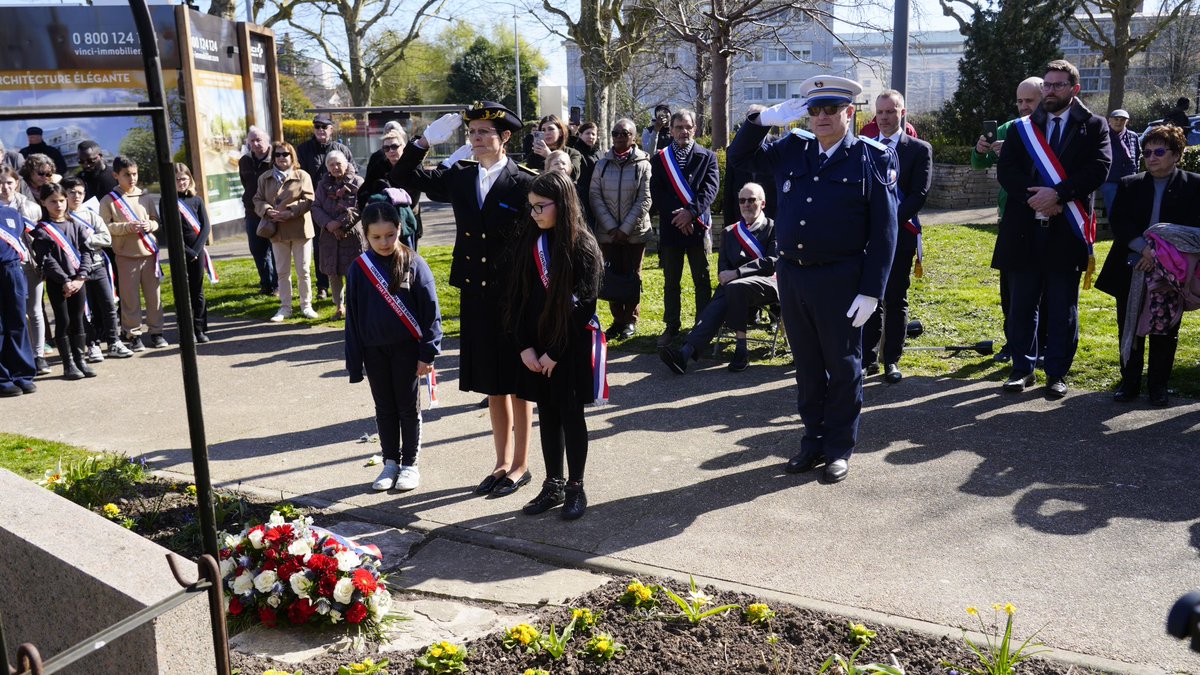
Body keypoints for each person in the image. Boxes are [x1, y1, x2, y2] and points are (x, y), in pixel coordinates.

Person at [728, 75, 897, 484]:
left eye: (830, 109)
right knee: (805, 365)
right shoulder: (792, 147)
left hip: (841, 278)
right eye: (814, 109)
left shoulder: (871, 157)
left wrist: (872, 291)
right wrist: (762, 119)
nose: (820, 117)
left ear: (848, 113)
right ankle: (812, 439)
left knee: (842, 366)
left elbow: (885, 230)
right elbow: (738, 157)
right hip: (793, 276)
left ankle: (839, 446)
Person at [392, 101, 538, 498]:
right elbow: (403, 175)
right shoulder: (460, 175)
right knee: (493, 381)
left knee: (520, 384)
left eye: (484, 133)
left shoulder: (524, 182)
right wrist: (422, 141)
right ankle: (500, 462)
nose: (475, 139)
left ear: (504, 137)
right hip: (477, 293)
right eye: (471, 132)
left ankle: (522, 465)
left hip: (513, 295)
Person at [995, 59, 1111, 399]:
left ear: (1074, 89)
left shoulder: (1094, 126)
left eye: (1057, 85)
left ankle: (1056, 373)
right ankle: (1022, 369)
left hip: (1067, 227)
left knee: (1063, 307)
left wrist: (1059, 194)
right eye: (1046, 84)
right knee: (1022, 305)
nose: (1049, 90)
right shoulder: (1022, 128)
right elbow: (1008, 171)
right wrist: (1037, 198)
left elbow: (1099, 168)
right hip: (1025, 227)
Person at [510, 171, 604, 520]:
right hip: (536, 349)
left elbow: (585, 305)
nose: (534, 214)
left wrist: (555, 353)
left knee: (570, 415)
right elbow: (517, 298)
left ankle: (575, 488)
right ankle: (552, 483)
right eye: (531, 207)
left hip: (568, 349)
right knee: (547, 416)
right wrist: (525, 347)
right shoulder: (529, 242)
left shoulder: (583, 246)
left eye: (540, 207)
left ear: (562, 204)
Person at [1095, 125, 1200, 407]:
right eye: (1147, 152)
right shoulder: (1130, 184)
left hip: (1172, 272)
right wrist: (1144, 249)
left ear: (1177, 154)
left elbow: (1193, 230)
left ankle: (1158, 386)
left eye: (1159, 151)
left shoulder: (1193, 185)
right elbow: (1120, 222)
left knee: (1165, 328)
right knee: (1128, 325)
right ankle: (1129, 382)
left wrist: (1158, 254)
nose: (1151, 157)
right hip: (1132, 265)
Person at [345, 202, 442, 492]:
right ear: (365, 235)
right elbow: (353, 317)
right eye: (376, 237)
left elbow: (431, 311)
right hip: (374, 351)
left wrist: (429, 352)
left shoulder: (414, 263)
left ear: (399, 229)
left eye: (390, 235)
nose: (384, 242)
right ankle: (390, 462)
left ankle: (410, 464)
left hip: (407, 351)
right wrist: (354, 361)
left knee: (407, 408)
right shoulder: (359, 268)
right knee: (384, 408)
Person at [660, 181, 778, 374]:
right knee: (729, 290)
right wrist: (730, 276)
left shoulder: (773, 227)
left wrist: (738, 273)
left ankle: (741, 349)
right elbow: (723, 268)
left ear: (762, 203)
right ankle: (685, 353)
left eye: (751, 200)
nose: (746, 204)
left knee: (733, 288)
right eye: (742, 200)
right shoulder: (730, 232)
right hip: (734, 288)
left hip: (766, 284)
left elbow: (772, 261)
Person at [972, 76, 1046, 364]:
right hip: (1012, 218)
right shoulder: (1008, 128)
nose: (1024, 107)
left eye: (1030, 101)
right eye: (1020, 101)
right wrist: (981, 150)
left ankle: (1042, 345)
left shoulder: (1050, 129)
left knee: (1045, 291)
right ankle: (1013, 344)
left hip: (1046, 217)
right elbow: (978, 165)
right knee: (1011, 290)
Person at [861, 90, 933, 384]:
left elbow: (919, 194)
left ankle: (891, 359)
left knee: (895, 297)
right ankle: (867, 359)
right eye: (880, 112)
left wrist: (888, 223)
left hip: (900, 234)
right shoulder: (864, 148)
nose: (885, 118)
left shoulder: (918, 149)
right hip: (866, 238)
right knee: (869, 296)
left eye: (891, 111)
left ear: (903, 112)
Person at [650, 109, 720, 348]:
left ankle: (702, 326)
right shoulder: (660, 159)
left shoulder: (707, 156)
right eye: (678, 127)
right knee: (671, 281)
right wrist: (679, 218)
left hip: (698, 228)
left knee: (701, 279)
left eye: (688, 126)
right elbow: (657, 193)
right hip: (672, 229)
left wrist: (690, 213)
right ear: (671, 130)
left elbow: (710, 189)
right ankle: (671, 326)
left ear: (695, 129)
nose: (683, 131)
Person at [590, 118, 653, 342]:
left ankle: (631, 320)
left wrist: (625, 229)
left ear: (633, 137)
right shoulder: (602, 164)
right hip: (608, 233)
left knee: (632, 275)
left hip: (634, 233)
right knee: (612, 275)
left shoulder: (643, 164)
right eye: (616, 132)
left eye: (624, 133)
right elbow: (595, 196)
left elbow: (644, 199)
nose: (619, 136)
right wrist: (611, 227)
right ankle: (618, 320)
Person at [99, 155, 165, 351]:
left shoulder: (145, 197)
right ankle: (133, 333)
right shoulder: (109, 200)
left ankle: (157, 332)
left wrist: (150, 224)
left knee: (154, 296)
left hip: (149, 254)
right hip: (126, 256)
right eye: (127, 175)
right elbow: (105, 227)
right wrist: (127, 227)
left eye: (134, 174)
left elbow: (156, 221)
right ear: (115, 176)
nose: (132, 178)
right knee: (130, 298)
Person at [62, 177, 132, 360]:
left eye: (80, 193)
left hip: (98, 265)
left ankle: (114, 341)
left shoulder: (91, 214)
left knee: (108, 305)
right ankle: (92, 344)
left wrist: (85, 240)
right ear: (64, 194)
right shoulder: (62, 217)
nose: (76, 196)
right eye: (72, 192)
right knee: (85, 310)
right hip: (77, 271)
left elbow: (106, 238)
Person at [32, 183, 94, 380]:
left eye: (61, 200)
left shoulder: (75, 225)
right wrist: (66, 280)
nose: (58, 205)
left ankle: (80, 360)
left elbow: (86, 251)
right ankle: (68, 364)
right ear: (43, 202)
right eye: (52, 202)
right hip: (58, 283)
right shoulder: (42, 230)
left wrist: (81, 277)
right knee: (63, 321)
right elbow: (46, 260)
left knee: (78, 320)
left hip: (78, 282)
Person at [255, 141, 317, 322]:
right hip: (277, 231)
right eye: (278, 154)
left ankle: (306, 306)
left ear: (292, 157)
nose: (282, 158)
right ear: (273, 158)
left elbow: (309, 199)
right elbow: (257, 199)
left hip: (300, 230)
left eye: (285, 154)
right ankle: (285, 308)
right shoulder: (264, 178)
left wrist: (290, 212)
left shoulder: (302, 175)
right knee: (282, 272)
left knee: (303, 270)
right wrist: (267, 210)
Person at [296, 113, 353, 301]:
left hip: (343, 206)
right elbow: (300, 176)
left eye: (324, 127)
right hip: (318, 205)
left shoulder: (341, 149)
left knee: (346, 247)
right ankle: (322, 286)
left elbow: (352, 173)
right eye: (317, 127)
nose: (320, 130)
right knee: (321, 247)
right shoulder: (304, 149)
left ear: (331, 129)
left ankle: (349, 289)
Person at [0, 168, 48, 375]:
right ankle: (13, 362)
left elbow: (39, 237)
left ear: (17, 183)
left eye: (10, 183)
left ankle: (38, 356)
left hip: (28, 265)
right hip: (6, 267)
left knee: (34, 312)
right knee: (9, 318)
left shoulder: (30, 208)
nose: (5, 187)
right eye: (1, 183)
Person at [160, 164, 212, 343]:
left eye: (184, 178)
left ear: (189, 179)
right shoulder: (166, 201)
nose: (181, 182)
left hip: (197, 251)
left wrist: (196, 250)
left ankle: (200, 329)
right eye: (177, 179)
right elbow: (169, 230)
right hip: (180, 252)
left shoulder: (196, 200)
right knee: (183, 292)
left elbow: (206, 227)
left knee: (198, 291)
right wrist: (187, 251)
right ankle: (186, 329)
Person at [313, 150, 364, 320]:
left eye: (338, 163)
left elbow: (360, 208)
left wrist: (341, 223)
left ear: (346, 163)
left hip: (352, 236)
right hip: (329, 237)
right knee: (333, 273)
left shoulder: (357, 182)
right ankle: (339, 306)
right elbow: (315, 207)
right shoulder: (322, 185)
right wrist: (329, 225)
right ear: (327, 167)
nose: (335, 167)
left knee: (353, 272)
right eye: (331, 164)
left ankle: (355, 306)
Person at [0, 202, 37, 396]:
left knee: (18, 322)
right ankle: (3, 379)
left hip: (12, 270)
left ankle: (22, 374)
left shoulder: (11, 213)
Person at [238, 127, 278, 296]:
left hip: (272, 212)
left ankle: (278, 285)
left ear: (267, 141)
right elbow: (245, 184)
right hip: (252, 213)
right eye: (252, 141)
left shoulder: (276, 159)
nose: (255, 144)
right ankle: (266, 284)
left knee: (275, 250)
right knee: (257, 249)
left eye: (258, 140)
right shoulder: (244, 161)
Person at [722, 105, 778, 223]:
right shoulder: (734, 150)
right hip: (741, 216)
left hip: (771, 217)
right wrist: (728, 224)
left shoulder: (777, 146)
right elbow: (729, 188)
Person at [1100, 109, 1141, 215]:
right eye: (1116, 119)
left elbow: (1137, 156)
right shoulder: (1103, 135)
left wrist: (1135, 174)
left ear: (1126, 121)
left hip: (1130, 179)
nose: (1119, 122)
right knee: (1114, 211)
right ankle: (1116, 231)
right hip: (1110, 180)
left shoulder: (1133, 136)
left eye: (1122, 119)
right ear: (1110, 120)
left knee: (1131, 211)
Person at [525, 115, 582, 180]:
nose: (547, 133)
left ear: (560, 132)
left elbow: (574, 175)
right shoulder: (535, 155)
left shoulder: (572, 153)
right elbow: (528, 177)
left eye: (551, 129)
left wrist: (549, 156)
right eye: (543, 130)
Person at [571, 122, 601, 227]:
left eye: (593, 134)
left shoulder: (599, 153)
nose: (591, 137)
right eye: (587, 133)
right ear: (580, 135)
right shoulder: (576, 151)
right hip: (582, 199)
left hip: (599, 198)